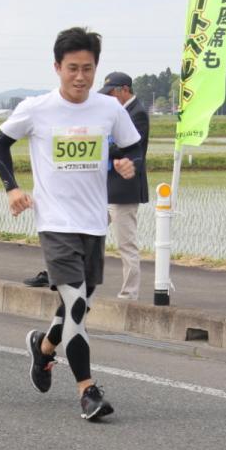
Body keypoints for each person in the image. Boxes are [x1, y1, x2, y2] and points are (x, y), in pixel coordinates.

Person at [0, 27, 141, 421]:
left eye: (87, 68)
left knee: (79, 307)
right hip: (55, 223)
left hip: (94, 223)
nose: (80, 76)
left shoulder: (109, 110)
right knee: (75, 305)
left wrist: (127, 164)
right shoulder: (36, 108)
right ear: (57, 67)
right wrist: (12, 188)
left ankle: (44, 348)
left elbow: (131, 147)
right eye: (72, 68)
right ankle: (87, 391)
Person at [98, 71, 150, 300]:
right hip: (107, 188)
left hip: (126, 188)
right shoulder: (116, 113)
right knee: (88, 234)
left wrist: (97, 149)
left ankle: (129, 295)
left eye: (111, 93)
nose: (109, 98)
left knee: (126, 244)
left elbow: (130, 147)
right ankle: (81, 283)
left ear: (124, 90)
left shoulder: (137, 113)